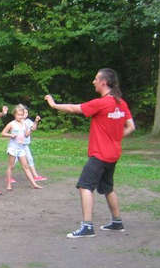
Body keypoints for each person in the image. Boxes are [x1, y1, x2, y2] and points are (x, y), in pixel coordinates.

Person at [45, 67, 135, 238]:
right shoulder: (121, 103)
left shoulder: (101, 103)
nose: (93, 82)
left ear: (103, 82)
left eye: (96, 79)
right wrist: (115, 138)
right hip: (113, 154)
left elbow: (74, 108)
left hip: (100, 154)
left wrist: (54, 105)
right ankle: (117, 222)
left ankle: (87, 227)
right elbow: (131, 127)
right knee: (108, 188)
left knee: (85, 186)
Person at [1, 104, 43, 191]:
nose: (20, 116)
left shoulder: (24, 124)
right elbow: (3, 133)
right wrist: (11, 135)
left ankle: (34, 184)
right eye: (18, 115)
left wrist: (32, 128)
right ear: (14, 114)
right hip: (13, 148)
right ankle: (9, 185)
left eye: (21, 115)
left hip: (21, 148)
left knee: (26, 167)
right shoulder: (11, 124)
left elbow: (26, 135)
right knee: (11, 166)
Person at [9, 107, 46, 185]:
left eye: (26, 113)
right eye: (23, 113)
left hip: (25, 145)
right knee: (13, 162)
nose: (25, 114)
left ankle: (35, 176)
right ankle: (9, 177)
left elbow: (33, 128)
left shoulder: (28, 121)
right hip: (16, 145)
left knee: (30, 159)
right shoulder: (16, 122)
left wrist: (36, 121)